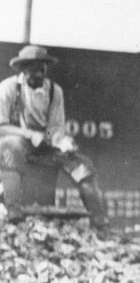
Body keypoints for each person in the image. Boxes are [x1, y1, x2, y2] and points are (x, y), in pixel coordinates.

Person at [0, 45, 109, 230]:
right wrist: (28, 134)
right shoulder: (8, 88)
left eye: (42, 70)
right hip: (13, 143)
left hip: (43, 146)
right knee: (12, 145)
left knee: (82, 165)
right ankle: (13, 209)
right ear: (23, 70)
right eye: (34, 72)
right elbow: (1, 126)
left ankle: (99, 220)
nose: (39, 76)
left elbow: (53, 129)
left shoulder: (54, 91)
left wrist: (60, 140)